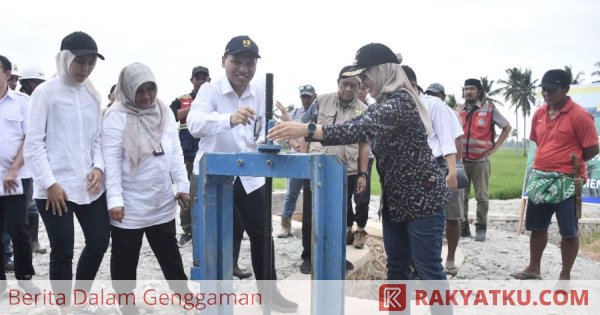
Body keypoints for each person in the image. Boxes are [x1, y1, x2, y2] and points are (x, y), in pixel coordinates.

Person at [269, 43, 451, 283]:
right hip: (396, 203)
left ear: (383, 71)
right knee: (396, 270)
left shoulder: (400, 103)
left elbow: (358, 129)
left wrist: (307, 128)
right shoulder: (382, 105)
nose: (363, 83)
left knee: (429, 272)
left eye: (366, 75)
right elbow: (351, 126)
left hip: (422, 203)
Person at [186, 35, 297, 313]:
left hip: (249, 176)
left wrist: (274, 137)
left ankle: (269, 294)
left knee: (262, 235)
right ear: (224, 61)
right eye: (237, 61)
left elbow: (258, 135)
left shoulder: (258, 93)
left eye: (250, 63)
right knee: (215, 238)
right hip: (214, 178)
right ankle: (215, 299)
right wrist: (228, 119)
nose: (243, 69)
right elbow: (194, 124)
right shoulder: (210, 91)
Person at [24, 31, 110, 311]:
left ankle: (79, 299)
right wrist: (50, 183)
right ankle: (65, 307)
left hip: (88, 184)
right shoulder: (45, 93)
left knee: (99, 241)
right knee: (62, 250)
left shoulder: (92, 95)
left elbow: (97, 139)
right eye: (80, 62)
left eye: (91, 64)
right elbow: (33, 144)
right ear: (65, 59)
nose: (85, 69)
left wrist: (98, 166)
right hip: (54, 188)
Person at [102, 63, 191, 315]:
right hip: (128, 203)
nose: (146, 97)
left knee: (169, 252)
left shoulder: (164, 112)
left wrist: (182, 185)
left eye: (151, 89)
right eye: (140, 91)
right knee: (124, 257)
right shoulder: (115, 116)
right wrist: (115, 201)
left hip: (160, 198)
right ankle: (126, 302)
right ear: (128, 90)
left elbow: (175, 154)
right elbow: (110, 162)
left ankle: (183, 294)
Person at [512, 69, 599, 281]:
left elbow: (592, 149)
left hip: (567, 180)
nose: (546, 94)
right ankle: (534, 268)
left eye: (552, 90)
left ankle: (565, 275)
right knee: (537, 226)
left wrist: (566, 162)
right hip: (540, 178)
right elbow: (538, 141)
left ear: (565, 89)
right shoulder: (539, 114)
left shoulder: (579, 116)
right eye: (544, 90)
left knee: (568, 231)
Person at [297, 67, 369, 274]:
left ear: (359, 87)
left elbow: (365, 144)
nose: (348, 88)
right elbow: (305, 132)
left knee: (340, 217)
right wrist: (304, 164)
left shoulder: (364, 110)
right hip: (317, 167)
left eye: (353, 85)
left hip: (346, 172)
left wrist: (363, 174)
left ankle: (338, 256)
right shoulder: (320, 101)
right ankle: (308, 257)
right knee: (311, 214)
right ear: (338, 83)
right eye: (344, 83)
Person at [403, 68, 464, 276]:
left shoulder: (435, 106)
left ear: (412, 84)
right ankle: (417, 267)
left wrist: (452, 171)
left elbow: (452, 142)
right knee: (416, 223)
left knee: (444, 219)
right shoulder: (399, 107)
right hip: (412, 172)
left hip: (438, 167)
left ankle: (446, 259)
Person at [0, 55, 40, 294]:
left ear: (7, 74)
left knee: (18, 226)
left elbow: (30, 138)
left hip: (16, 177)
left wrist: (14, 169)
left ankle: (25, 277)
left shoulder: (22, 102)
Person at [457, 78, 512, 241]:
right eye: (466, 89)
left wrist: (495, 148)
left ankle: (481, 227)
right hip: (462, 160)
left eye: (472, 89)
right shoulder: (458, 109)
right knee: (461, 195)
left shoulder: (489, 109)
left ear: (479, 91)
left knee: (482, 196)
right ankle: (463, 227)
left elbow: (506, 127)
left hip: (481, 160)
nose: (468, 92)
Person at [171, 65, 210, 248]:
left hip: (208, 155)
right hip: (187, 154)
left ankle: (207, 230)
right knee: (186, 193)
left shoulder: (214, 98)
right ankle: (187, 231)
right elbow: (173, 116)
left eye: (204, 78)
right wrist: (195, 107)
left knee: (210, 193)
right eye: (198, 78)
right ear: (192, 80)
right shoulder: (182, 99)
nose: (201, 81)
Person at [275, 84, 315, 238]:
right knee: (292, 193)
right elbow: (288, 133)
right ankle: (285, 225)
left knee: (312, 193)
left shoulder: (317, 113)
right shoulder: (295, 113)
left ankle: (311, 225)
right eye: (303, 97)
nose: (306, 100)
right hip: (297, 158)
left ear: (314, 97)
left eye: (308, 97)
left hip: (312, 157)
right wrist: (297, 145)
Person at [18, 65, 48, 255]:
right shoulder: (22, 101)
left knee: (32, 206)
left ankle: (34, 241)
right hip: (16, 163)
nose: (37, 85)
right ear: (25, 82)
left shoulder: (40, 98)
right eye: (34, 82)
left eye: (39, 82)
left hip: (32, 165)